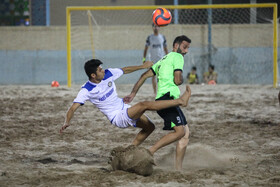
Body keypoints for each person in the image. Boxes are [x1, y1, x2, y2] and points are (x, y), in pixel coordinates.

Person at [60, 59, 192, 150]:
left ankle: (128, 151)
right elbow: (72, 108)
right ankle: (180, 101)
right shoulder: (86, 89)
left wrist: (143, 66)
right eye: (100, 70)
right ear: (93, 75)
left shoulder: (108, 74)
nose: (103, 70)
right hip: (117, 117)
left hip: (125, 108)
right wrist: (66, 122)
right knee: (143, 104)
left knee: (150, 127)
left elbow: (125, 70)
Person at [124, 35, 192, 170]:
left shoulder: (162, 60)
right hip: (167, 100)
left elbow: (144, 76)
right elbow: (178, 80)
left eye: (188, 48)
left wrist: (133, 93)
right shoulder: (177, 57)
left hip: (165, 100)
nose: (186, 51)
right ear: (176, 46)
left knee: (186, 134)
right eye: (184, 47)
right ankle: (150, 151)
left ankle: (178, 169)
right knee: (180, 132)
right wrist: (181, 80)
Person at [143, 23, 168, 95]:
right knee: (153, 76)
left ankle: (161, 91)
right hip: (152, 60)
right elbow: (146, 48)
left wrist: (168, 58)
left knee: (161, 76)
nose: (156, 28)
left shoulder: (162, 37)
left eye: (157, 26)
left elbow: (165, 48)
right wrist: (144, 59)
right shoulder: (150, 37)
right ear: (152, 28)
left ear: (159, 28)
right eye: (154, 26)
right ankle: (155, 93)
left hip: (161, 59)